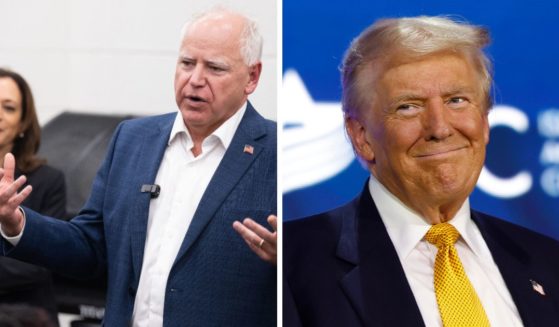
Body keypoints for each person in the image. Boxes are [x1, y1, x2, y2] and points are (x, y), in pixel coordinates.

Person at [0, 8, 276, 327]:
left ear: (252, 77)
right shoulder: (132, 139)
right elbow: (92, 246)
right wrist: (17, 223)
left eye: (215, 68)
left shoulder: (277, 153)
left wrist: (289, 260)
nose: (195, 80)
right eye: (187, 63)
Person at [283, 16, 559, 326]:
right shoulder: (288, 267)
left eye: (457, 100)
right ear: (361, 136)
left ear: (484, 122)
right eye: (408, 106)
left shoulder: (548, 261)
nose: (439, 128)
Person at [0, 68, 66, 326]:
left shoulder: (48, 181)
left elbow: (39, 263)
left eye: (9, 107)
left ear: (23, 123)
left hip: (28, 316)